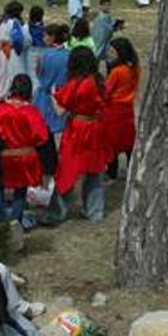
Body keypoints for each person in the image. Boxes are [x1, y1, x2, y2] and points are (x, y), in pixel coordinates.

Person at [42, 47, 110, 224]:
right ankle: (95, 211)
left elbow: (60, 109)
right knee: (94, 171)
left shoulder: (77, 83)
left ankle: (56, 213)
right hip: (96, 129)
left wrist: (51, 94)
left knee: (67, 171)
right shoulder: (99, 81)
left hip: (78, 130)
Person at [0, 75, 52, 230]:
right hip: (25, 157)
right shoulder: (31, 113)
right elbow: (42, 137)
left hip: (4, 156)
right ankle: (14, 224)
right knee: (20, 190)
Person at [100, 38, 140, 180]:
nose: (109, 54)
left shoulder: (117, 72)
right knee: (129, 141)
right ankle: (131, 169)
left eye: (112, 51)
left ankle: (112, 172)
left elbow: (106, 91)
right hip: (127, 109)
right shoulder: (134, 68)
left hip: (113, 110)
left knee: (112, 143)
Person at [33, 23, 70, 136]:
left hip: (45, 97)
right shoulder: (69, 55)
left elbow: (39, 74)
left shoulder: (43, 56)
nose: (43, 38)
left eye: (45, 36)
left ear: (52, 37)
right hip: (63, 97)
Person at [0, 1, 31, 84]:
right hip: (14, 54)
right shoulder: (16, 23)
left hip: (6, 53)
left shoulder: (4, 22)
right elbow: (18, 41)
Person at [26, 6, 46, 94]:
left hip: (32, 51)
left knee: (32, 74)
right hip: (43, 51)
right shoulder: (43, 28)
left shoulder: (28, 27)